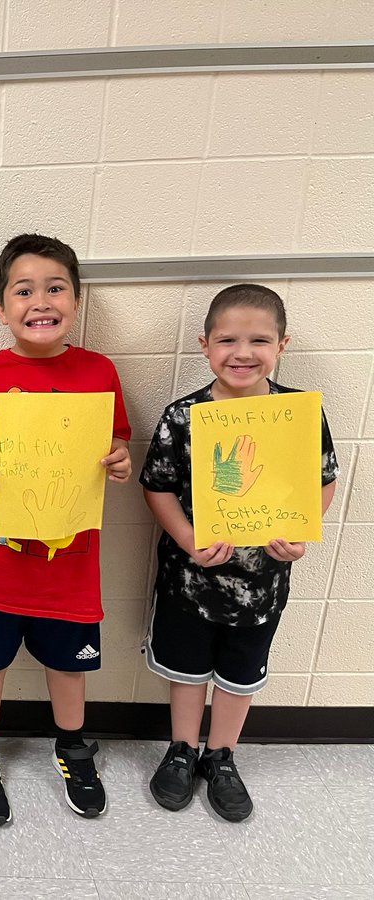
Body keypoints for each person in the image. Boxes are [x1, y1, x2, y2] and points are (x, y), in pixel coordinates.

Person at [0, 233, 132, 826]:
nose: (41, 302)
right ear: (2, 309)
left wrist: (119, 458)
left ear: (75, 301)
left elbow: (117, 438)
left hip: (70, 563)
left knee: (69, 664)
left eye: (55, 289)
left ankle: (73, 748)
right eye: (23, 291)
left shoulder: (99, 370)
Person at [141, 283, 337, 822]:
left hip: (262, 586)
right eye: (227, 340)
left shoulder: (298, 414)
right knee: (185, 669)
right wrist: (187, 539)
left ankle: (221, 756)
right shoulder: (183, 416)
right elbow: (156, 487)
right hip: (189, 579)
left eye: (259, 340)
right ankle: (182, 749)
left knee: (241, 673)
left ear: (282, 345)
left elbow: (322, 480)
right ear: (205, 345)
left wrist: (301, 530)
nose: (243, 353)